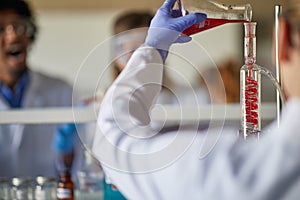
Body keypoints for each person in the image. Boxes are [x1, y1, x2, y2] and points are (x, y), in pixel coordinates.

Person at [92, 0, 300, 199]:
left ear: (280, 39)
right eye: (128, 49)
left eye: (141, 47)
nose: (133, 54)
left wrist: (154, 48)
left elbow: (114, 140)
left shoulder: (221, 173)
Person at [0, 0, 79, 180]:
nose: (13, 36)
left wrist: (68, 155)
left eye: (19, 26)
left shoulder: (61, 91)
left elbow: (79, 171)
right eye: (1, 28)